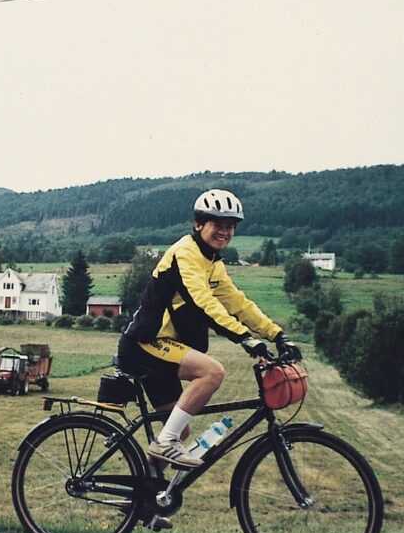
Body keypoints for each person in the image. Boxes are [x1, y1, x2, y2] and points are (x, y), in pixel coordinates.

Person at [118, 189, 301, 474]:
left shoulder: (212, 262)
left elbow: (238, 303)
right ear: (199, 224)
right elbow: (203, 303)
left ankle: (147, 497)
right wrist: (245, 338)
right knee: (212, 372)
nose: (225, 231)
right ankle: (164, 442)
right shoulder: (185, 254)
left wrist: (276, 334)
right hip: (146, 344)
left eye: (230, 226)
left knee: (182, 430)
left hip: (163, 348)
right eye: (218, 224)